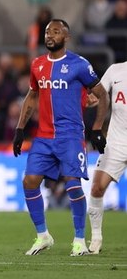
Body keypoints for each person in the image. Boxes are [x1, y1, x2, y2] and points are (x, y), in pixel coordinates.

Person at [12, 19, 108, 257]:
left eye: (56, 31)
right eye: (47, 31)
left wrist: (96, 128)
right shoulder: (37, 65)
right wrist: (20, 129)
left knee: (73, 185)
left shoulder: (79, 65)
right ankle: (43, 236)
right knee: (30, 181)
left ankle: (79, 240)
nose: (50, 35)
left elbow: (102, 95)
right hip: (43, 137)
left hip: (70, 136)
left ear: (66, 37)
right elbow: (32, 96)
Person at [86, 60, 127, 254]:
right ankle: (96, 238)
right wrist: (89, 99)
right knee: (96, 187)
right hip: (117, 141)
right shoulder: (116, 70)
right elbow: (98, 96)